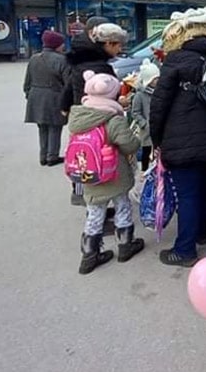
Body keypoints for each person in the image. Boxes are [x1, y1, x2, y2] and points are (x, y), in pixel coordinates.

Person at [150, 21, 206, 267]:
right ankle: (201, 233)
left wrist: (156, 140)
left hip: (181, 138)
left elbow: (159, 104)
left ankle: (185, 250)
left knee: (187, 195)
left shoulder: (176, 60)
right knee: (205, 186)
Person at [67, 71, 145, 274]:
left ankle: (89, 256)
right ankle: (125, 245)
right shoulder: (112, 119)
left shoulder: (79, 118)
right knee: (122, 207)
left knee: (94, 213)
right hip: (114, 174)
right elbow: (130, 145)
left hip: (89, 173)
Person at [61, 21, 129, 206]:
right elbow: (106, 96)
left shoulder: (81, 60)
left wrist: (65, 106)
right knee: (98, 159)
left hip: (80, 113)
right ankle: (97, 206)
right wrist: (119, 102)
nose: (120, 49)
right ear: (108, 43)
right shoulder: (100, 67)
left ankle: (83, 196)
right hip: (98, 118)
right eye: (118, 45)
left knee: (82, 155)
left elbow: (69, 85)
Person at [23, 30, 71, 166]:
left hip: (36, 97)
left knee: (42, 127)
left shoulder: (34, 58)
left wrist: (29, 95)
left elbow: (27, 82)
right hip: (54, 97)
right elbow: (68, 83)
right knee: (55, 126)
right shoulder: (62, 60)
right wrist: (68, 102)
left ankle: (43, 156)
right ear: (56, 45)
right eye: (61, 44)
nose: (63, 46)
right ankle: (52, 156)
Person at [130, 58, 160, 173]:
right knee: (146, 152)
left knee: (157, 152)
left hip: (158, 128)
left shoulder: (160, 92)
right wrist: (144, 124)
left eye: (158, 78)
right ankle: (145, 171)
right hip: (147, 131)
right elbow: (135, 112)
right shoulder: (140, 95)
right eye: (154, 79)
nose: (157, 80)